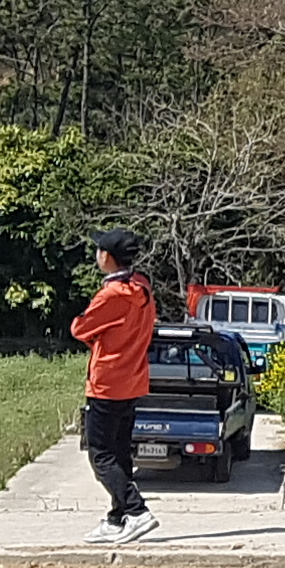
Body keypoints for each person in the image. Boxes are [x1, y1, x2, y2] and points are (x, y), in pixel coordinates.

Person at [70, 227, 160, 545]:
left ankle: (137, 510)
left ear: (107, 257)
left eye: (99, 250)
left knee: (101, 455)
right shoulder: (142, 287)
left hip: (106, 383)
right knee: (121, 453)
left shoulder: (111, 295)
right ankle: (117, 518)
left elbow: (80, 328)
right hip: (132, 380)